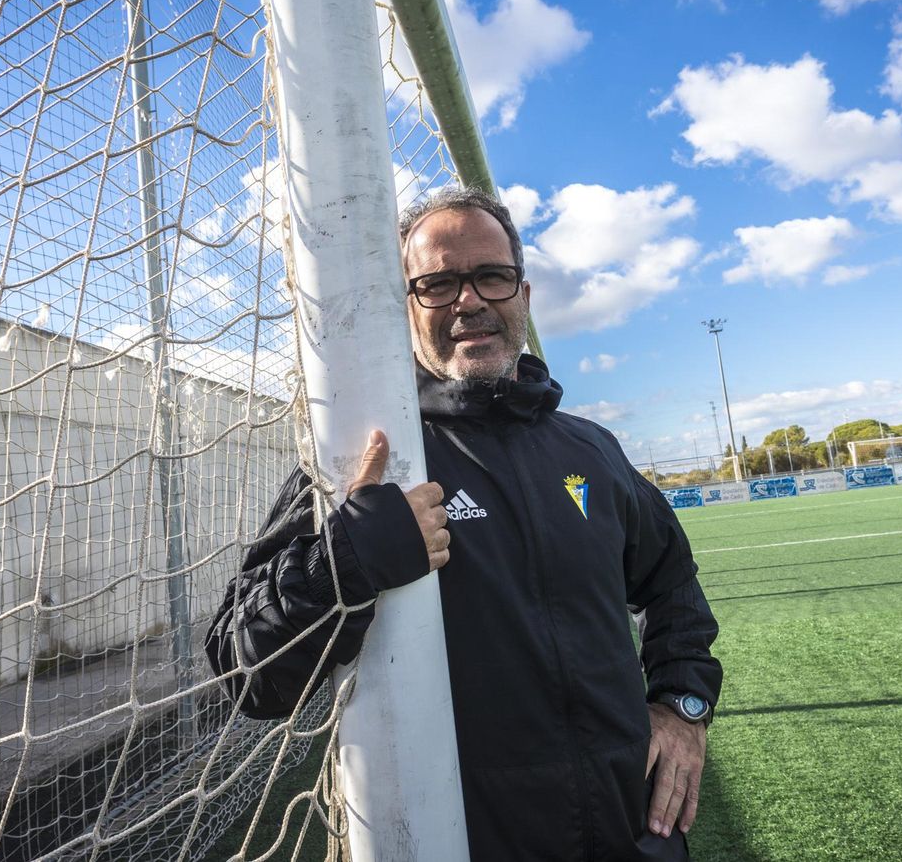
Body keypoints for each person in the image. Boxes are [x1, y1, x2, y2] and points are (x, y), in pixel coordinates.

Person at [206, 187, 722, 860]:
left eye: (491, 276)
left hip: (633, 835)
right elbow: (244, 670)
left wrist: (683, 705)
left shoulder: (592, 449)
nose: (469, 301)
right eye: (438, 284)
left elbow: (672, 583)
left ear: (523, 295)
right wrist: (348, 559)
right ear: (404, 307)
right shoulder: (364, 462)